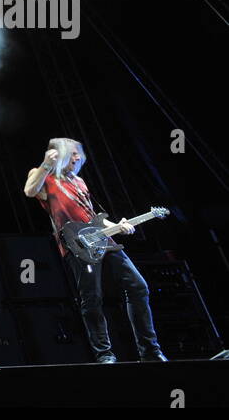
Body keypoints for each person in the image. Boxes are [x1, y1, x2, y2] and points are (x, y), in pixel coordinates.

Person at [24, 137, 166, 363]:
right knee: (92, 298)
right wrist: (45, 164)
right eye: (72, 154)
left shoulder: (80, 182)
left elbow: (93, 220)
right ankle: (104, 355)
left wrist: (119, 226)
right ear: (58, 155)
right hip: (77, 246)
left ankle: (150, 351)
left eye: (79, 154)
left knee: (138, 286)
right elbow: (30, 191)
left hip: (104, 242)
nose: (78, 158)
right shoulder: (45, 176)